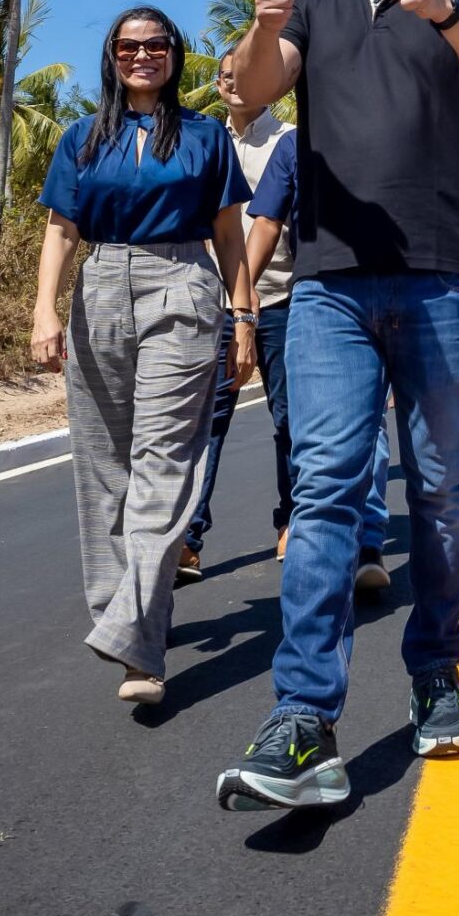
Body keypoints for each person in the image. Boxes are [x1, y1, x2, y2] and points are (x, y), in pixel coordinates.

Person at [216, 0, 459, 810]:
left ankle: (435, 670)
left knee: (439, 490)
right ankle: (303, 717)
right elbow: (250, 88)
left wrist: (443, 12)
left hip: (443, 285)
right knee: (326, 494)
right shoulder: (311, 9)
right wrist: (264, 26)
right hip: (331, 291)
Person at [30, 6, 254, 706]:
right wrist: (43, 310)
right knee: (104, 467)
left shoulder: (205, 135)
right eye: (129, 47)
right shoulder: (82, 136)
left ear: (174, 55)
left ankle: (134, 640)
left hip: (182, 284)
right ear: (112, 57)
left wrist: (243, 316)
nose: (143, 55)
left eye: (157, 45)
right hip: (99, 285)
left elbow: (229, 235)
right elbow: (61, 229)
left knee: (163, 463)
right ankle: (122, 616)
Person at [244, 124, 392, 592]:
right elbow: (267, 222)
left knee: (372, 427)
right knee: (312, 432)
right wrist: (242, 295)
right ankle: (324, 546)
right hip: (318, 296)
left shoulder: (391, 129)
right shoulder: (294, 145)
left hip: (396, 287)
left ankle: (368, 542)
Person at [175, 51, 298, 582]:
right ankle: (188, 537)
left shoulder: (290, 139)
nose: (234, 82)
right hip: (218, 304)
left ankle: (292, 521)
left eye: (245, 74)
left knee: (290, 419)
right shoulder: (202, 140)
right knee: (208, 422)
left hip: (285, 298)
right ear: (217, 84)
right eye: (226, 75)